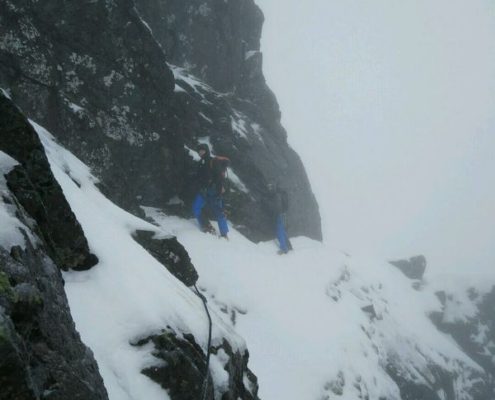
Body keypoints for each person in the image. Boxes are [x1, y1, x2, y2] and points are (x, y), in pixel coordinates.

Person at [192, 144, 230, 238]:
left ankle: (224, 234)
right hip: (204, 191)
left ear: (206, 150)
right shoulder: (201, 162)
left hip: (214, 191)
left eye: (202, 150)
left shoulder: (212, 161)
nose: (200, 152)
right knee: (196, 207)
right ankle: (206, 226)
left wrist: (219, 190)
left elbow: (219, 177)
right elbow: (200, 176)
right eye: (199, 151)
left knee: (219, 212)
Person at [267, 183, 292, 254]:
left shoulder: (276, 195)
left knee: (279, 231)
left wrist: (275, 214)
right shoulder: (279, 193)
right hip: (282, 214)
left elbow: (277, 206)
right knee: (282, 230)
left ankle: (284, 248)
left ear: (273, 186)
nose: (269, 188)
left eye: (270, 186)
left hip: (279, 215)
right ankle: (288, 246)